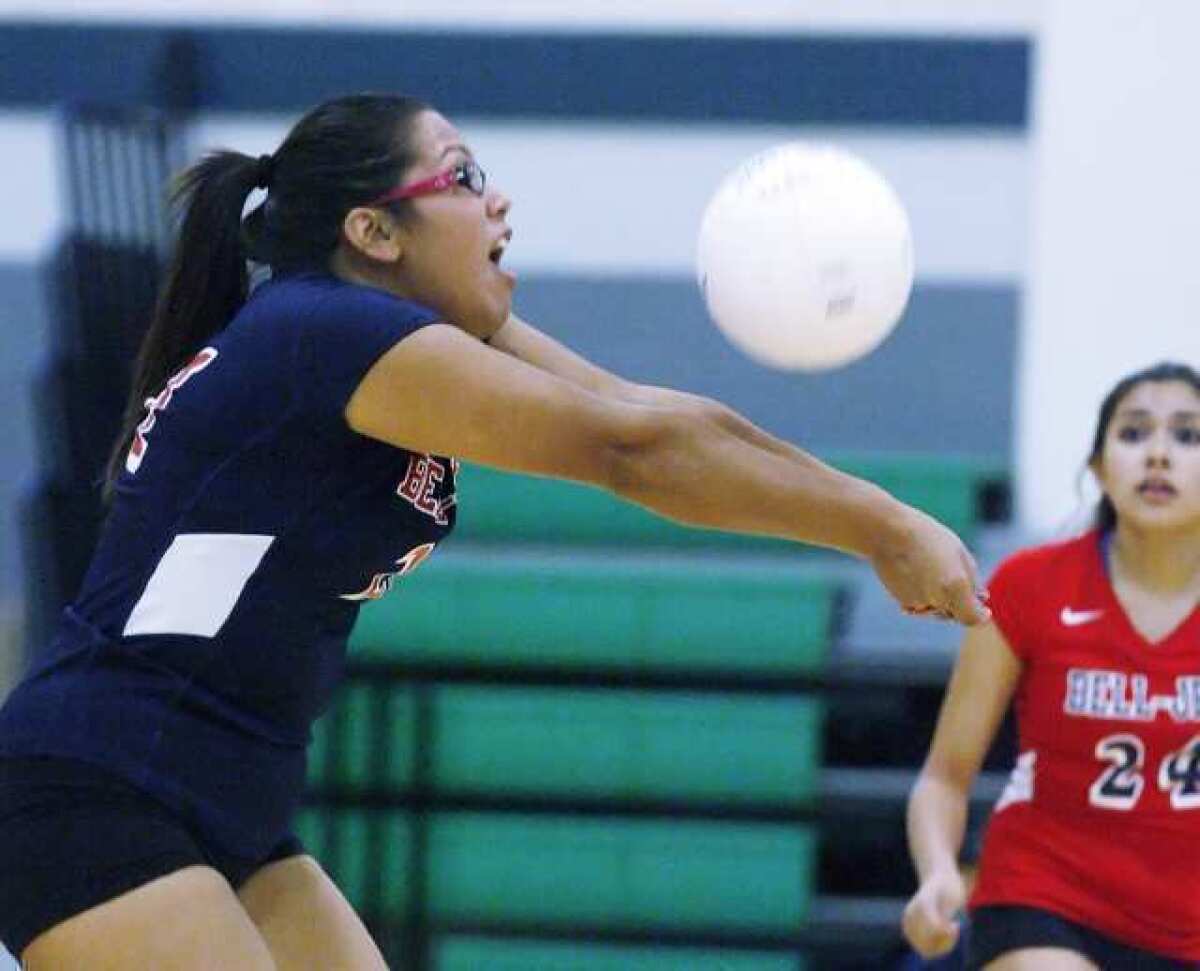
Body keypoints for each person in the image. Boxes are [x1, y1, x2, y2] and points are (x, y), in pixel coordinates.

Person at [0, 92, 988, 969]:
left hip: (231, 805)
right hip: (97, 787)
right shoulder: (323, 330)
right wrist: (876, 524)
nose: (500, 201)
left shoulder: (390, 334)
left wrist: (885, 519)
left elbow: (654, 418)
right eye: (466, 177)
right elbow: (633, 455)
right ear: (375, 232)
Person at [902, 361, 1200, 970]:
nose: (1160, 455)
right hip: (1043, 898)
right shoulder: (1031, 586)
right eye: (1135, 433)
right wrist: (937, 875)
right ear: (1098, 469)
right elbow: (945, 776)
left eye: (1188, 435)